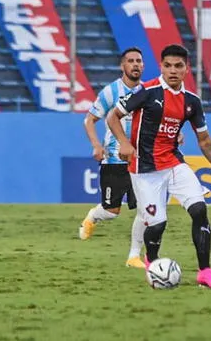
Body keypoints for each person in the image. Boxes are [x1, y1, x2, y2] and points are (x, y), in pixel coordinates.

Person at [107, 44, 211, 289]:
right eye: (167, 66)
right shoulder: (147, 92)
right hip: (145, 169)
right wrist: (124, 143)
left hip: (174, 163)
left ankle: (205, 272)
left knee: (199, 210)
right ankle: (153, 264)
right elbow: (113, 116)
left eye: (178, 66)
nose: (172, 71)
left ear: (187, 69)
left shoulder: (192, 102)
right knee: (157, 224)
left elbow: (203, 139)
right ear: (161, 66)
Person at [79, 47, 148, 269]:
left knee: (146, 209)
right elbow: (89, 120)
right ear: (123, 66)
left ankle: (134, 255)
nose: (135, 64)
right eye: (131, 61)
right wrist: (96, 145)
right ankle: (92, 216)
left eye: (139, 61)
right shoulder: (110, 92)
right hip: (114, 159)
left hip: (140, 159)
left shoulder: (148, 91)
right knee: (112, 211)